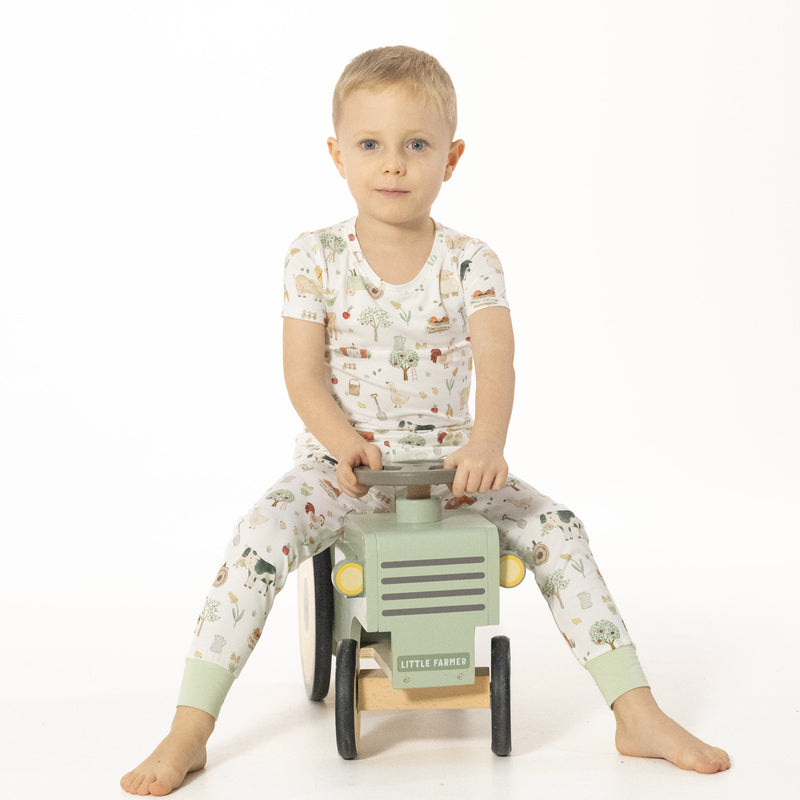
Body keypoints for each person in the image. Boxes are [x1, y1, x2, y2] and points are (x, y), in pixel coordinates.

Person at [121, 45, 730, 796]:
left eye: (416, 144)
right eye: (370, 144)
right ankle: (190, 728)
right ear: (337, 154)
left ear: (452, 157)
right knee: (258, 537)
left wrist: (486, 443)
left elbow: (498, 360)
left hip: (452, 468)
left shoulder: (472, 261)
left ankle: (636, 711)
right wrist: (344, 446)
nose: (393, 164)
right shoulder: (314, 257)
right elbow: (302, 374)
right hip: (344, 469)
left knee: (560, 531)